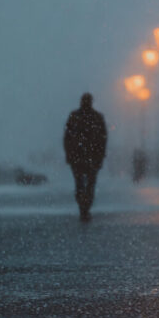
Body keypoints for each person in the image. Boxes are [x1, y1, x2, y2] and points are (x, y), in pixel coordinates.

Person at [63, 92, 108, 222]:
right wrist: (100, 155)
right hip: (90, 157)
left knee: (81, 184)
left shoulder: (75, 116)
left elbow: (67, 137)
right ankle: (85, 206)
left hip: (79, 157)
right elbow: (103, 139)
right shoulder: (96, 117)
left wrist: (69, 154)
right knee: (88, 184)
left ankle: (83, 206)